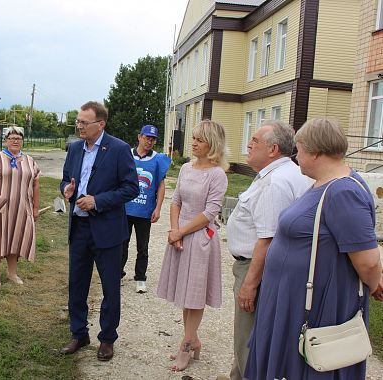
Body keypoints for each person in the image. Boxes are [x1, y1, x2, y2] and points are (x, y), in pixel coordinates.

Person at [245, 118, 383, 380]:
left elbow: (368, 260)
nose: (297, 157)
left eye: (300, 149)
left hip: (315, 306)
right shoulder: (326, 183)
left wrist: (375, 281)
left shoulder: (343, 192)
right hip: (293, 300)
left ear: (316, 151)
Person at [220, 121, 310, 380]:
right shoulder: (281, 174)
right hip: (259, 266)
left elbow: (268, 238)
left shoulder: (276, 181)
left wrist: (249, 284)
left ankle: (247, 374)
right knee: (249, 333)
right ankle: (238, 374)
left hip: (256, 267)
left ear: (273, 149)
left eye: (255, 140)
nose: (249, 144)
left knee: (249, 336)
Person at [59, 101, 139, 362]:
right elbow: (65, 179)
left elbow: (131, 188)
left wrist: (98, 201)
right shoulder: (74, 149)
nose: (79, 126)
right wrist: (66, 191)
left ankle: (107, 339)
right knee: (77, 284)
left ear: (100, 124)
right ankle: (79, 333)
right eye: (78, 121)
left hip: (106, 229)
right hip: (79, 227)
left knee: (110, 288)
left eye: (84, 122)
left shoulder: (119, 149)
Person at [156, 120, 228, 372]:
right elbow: (175, 201)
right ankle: (193, 339)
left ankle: (185, 346)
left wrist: (182, 232)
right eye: (194, 138)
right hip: (181, 235)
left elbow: (210, 212)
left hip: (200, 239)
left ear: (212, 144)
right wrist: (174, 231)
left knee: (194, 296)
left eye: (199, 139)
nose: (194, 143)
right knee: (185, 293)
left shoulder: (217, 174)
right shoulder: (186, 168)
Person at [0, 126, 40, 286]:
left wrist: (35, 207)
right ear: (6, 140)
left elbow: (36, 184)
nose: (15, 141)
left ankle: (12, 273)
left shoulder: (30, 161)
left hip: (21, 209)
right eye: (12, 138)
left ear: (23, 141)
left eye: (19, 138)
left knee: (15, 240)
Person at [122, 124, 171, 293]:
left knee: (142, 246)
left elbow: (161, 185)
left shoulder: (158, 159)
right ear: (139, 137)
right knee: (121, 243)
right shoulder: (126, 154)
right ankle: (117, 273)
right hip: (125, 209)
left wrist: (158, 208)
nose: (149, 141)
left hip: (144, 211)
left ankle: (140, 277)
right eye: (147, 137)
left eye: (153, 139)